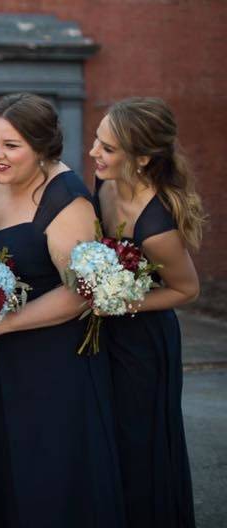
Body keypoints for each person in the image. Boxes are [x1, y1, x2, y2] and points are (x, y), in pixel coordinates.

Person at [0, 93, 126, 527]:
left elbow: (81, 293)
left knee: (48, 478)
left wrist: (3, 326)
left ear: (42, 148)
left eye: (11, 146)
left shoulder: (66, 198)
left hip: (52, 362)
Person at [90, 97, 202, 527]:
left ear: (142, 158)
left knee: (139, 443)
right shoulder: (104, 185)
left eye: (108, 148)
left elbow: (187, 290)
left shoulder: (157, 226)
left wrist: (120, 302)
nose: (94, 153)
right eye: (98, 141)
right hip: (106, 332)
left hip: (143, 344)